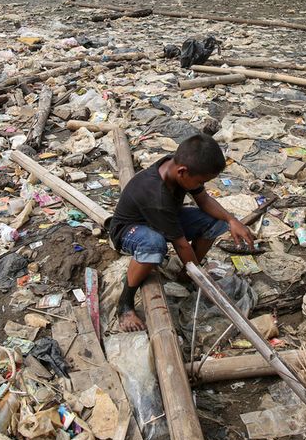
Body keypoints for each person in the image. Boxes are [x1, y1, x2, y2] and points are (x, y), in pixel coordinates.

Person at [107, 133, 255, 331]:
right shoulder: (156, 195)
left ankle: (186, 276)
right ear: (183, 172)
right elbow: (181, 244)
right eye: (200, 181)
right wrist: (201, 279)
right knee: (154, 244)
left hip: (165, 218)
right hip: (130, 231)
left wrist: (231, 220)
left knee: (215, 222)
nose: (200, 185)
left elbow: (203, 200)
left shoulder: (176, 166)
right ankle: (125, 305)